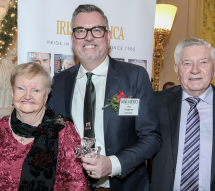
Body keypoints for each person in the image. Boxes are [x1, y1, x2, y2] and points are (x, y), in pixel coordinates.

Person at [48, 4, 162, 191]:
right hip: (71, 186)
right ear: (72, 38)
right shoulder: (59, 82)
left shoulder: (134, 76)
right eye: (81, 31)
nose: (89, 37)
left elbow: (152, 137)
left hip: (124, 185)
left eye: (97, 30)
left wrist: (113, 164)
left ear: (108, 37)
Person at [151, 38, 215, 191]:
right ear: (177, 68)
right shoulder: (155, 103)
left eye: (203, 62)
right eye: (187, 63)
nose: (195, 70)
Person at [0, 62, 89, 190]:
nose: (28, 96)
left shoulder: (64, 132)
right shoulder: (1, 128)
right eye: (21, 88)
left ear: (46, 96)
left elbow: (77, 186)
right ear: (12, 93)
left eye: (36, 90)